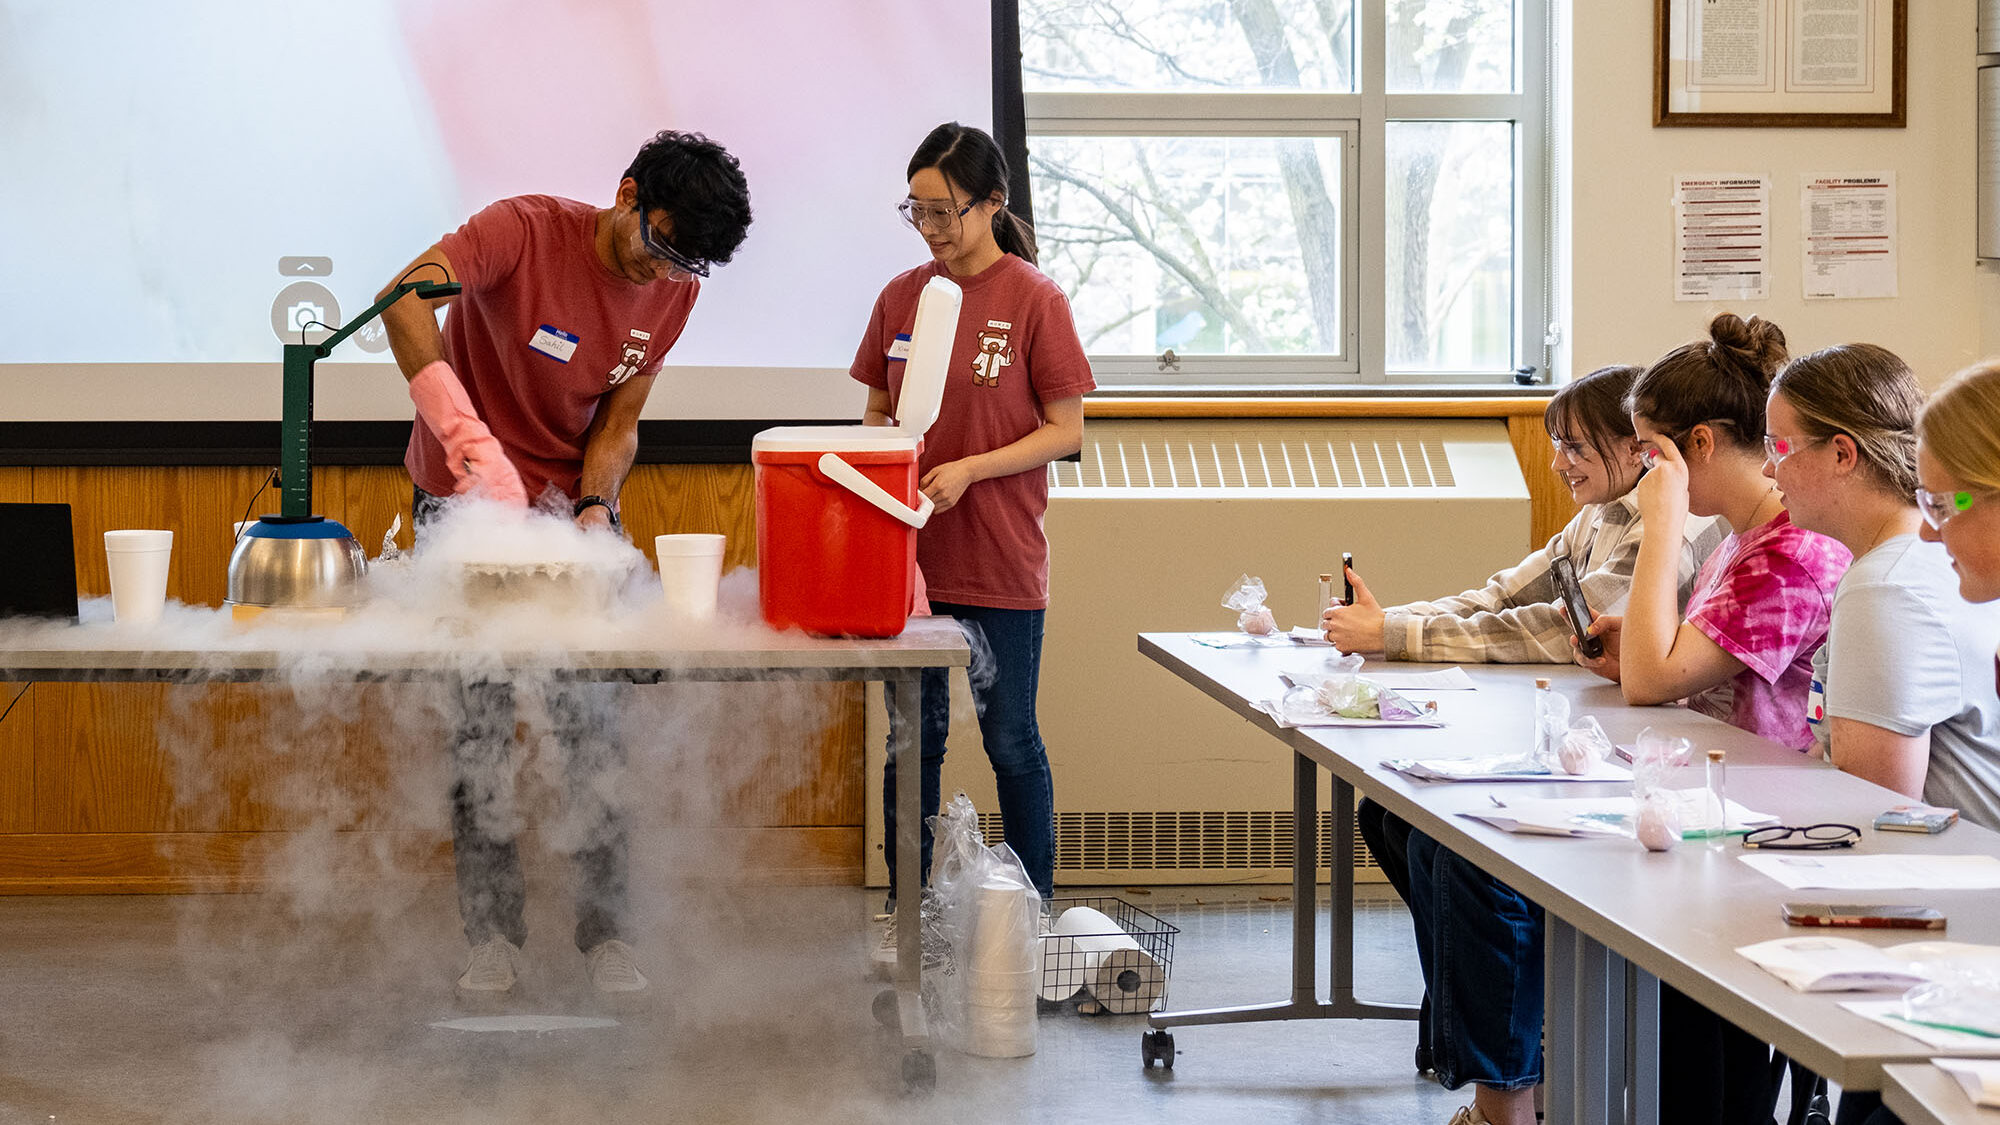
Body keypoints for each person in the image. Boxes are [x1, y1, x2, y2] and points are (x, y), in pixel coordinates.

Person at [1407, 315, 1848, 1125]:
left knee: (1484, 865)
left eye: (1654, 454)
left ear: (1700, 446)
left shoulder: (1784, 552)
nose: (1647, 471)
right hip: (1702, 797)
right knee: (1450, 836)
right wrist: (1632, 652)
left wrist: (1666, 519)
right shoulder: (1743, 543)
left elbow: (1654, 680)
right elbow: (1664, 666)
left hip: (1748, 822)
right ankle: (1517, 1081)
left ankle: (1518, 1088)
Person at [376, 129, 753, 997]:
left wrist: (593, 506)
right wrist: (469, 443)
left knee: (592, 725)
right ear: (626, 194)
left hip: (565, 510)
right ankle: (493, 937)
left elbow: (620, 421)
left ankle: (605, 935)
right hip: (464, 503)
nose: (661, 275)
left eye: (682, 265)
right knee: (480, 722)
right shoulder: (522, 230)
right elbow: (400, 300)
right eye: (656, 246)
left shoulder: (675, 285)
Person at [1336, 365, 1726, 1071]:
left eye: (1576, 447)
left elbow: (1548, 631)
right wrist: (1387, 621)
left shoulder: (1666, 531)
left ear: (1636, 447)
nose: (1559, 463)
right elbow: (1498, 596)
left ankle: (1511, 1046)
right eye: (1557, 445)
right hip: (1600, 734)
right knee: (1391, 818)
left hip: (1653, 761)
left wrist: (1393, 634)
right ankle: (1501, 1014)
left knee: (1450, 848)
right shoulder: (1599, 516)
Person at [850, 123, 1094, 966]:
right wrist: (887, 458)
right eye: (917, 211)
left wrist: (971, 470)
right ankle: (903, 907)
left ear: (994, 202)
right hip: (908, 562)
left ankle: (1032, 916)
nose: (933, 228)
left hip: (998, 556)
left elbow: (1066, 430)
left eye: (947, 210)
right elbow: (878, 414)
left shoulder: (1035, 300)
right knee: (910, 740)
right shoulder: (900, 295)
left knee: (1010, 737)